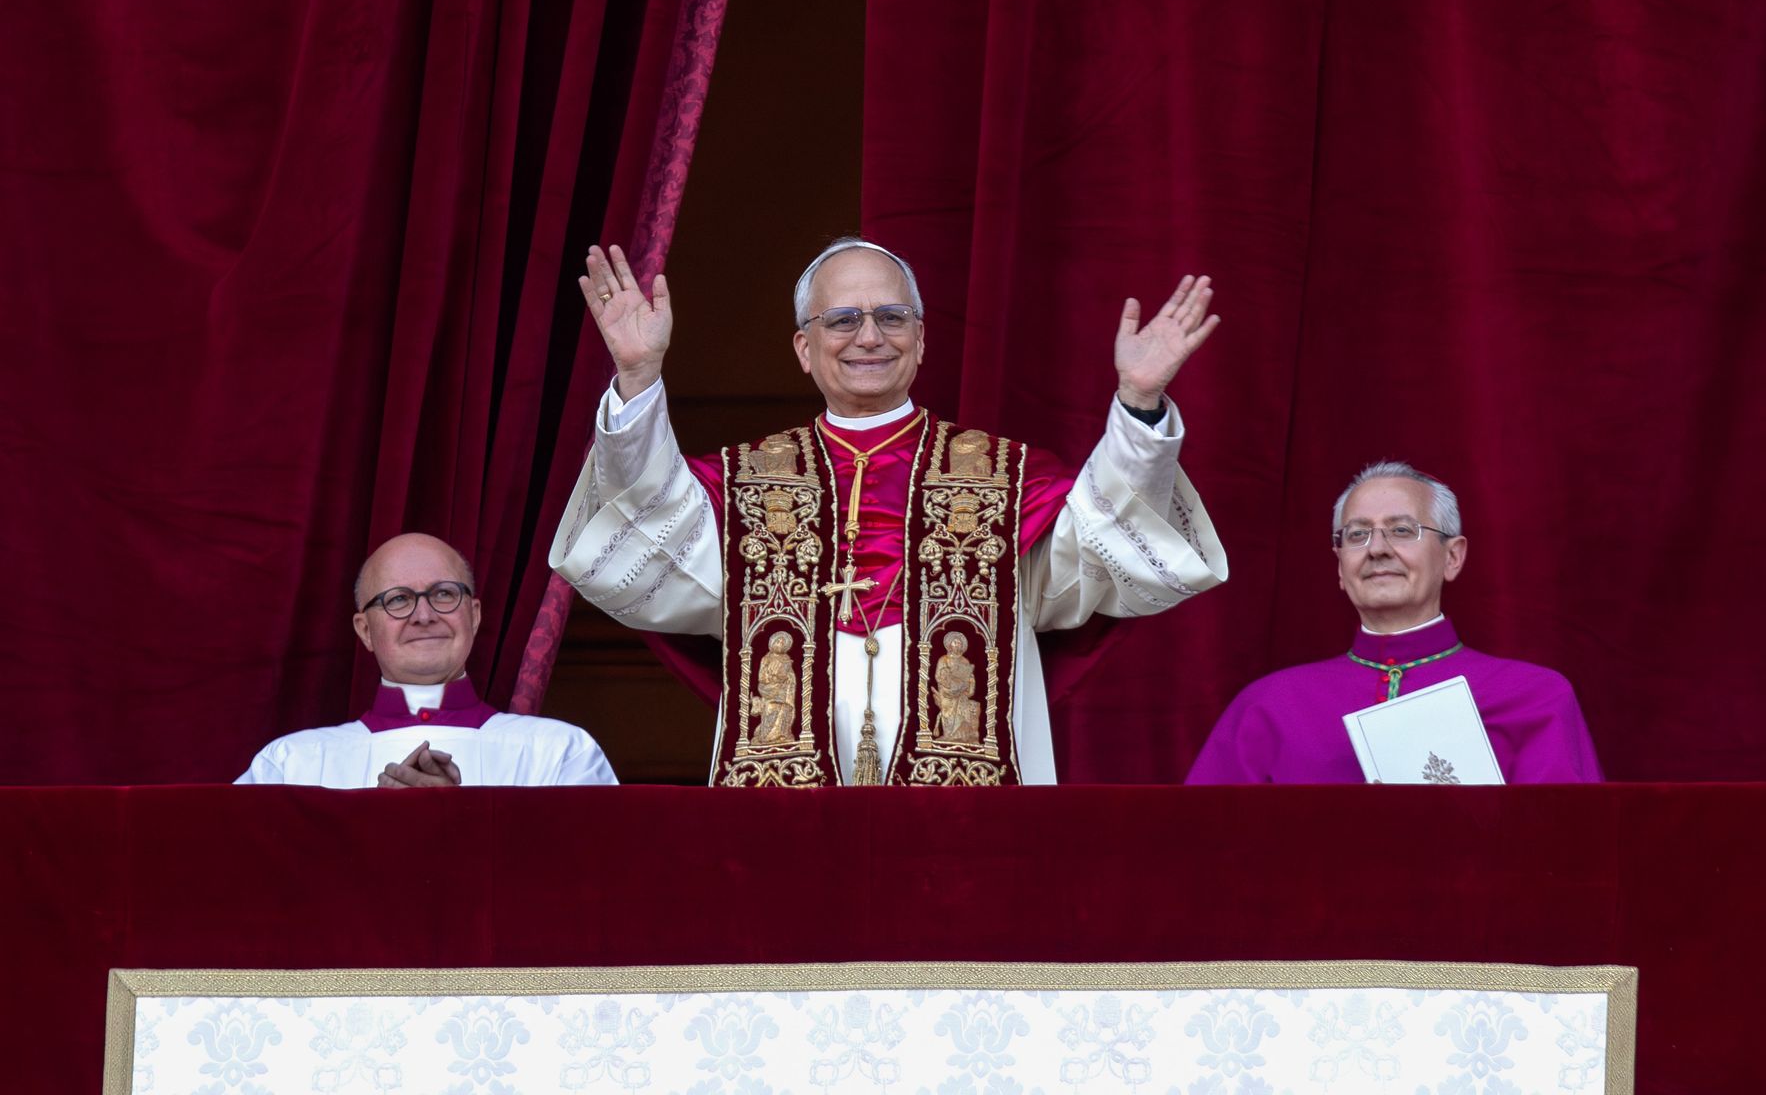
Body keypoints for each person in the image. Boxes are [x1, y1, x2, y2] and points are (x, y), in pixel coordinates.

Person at [550, 237, 1229, 786]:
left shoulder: (1004, 480)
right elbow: (647, 543)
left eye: (891, 316)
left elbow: (1102, 553)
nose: (868, 335)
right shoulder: (744, 485)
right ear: (804, 349)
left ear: (922, 339)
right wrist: (638, 380)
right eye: (842, 319)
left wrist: (1139, 404)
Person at [1186, 461, 1601, 784]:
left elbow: (1568, 855)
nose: (1377, 549)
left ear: (1452, 557)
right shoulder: (1269, 706)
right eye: (1356, 535)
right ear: (1340, 567)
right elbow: (1203, 849)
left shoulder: (1535, 698)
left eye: (1402, 530)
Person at [238, 533, 617, 787]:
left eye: (444, 594)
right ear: (365, 630)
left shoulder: (561, 754)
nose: (424, 615)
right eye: (398, 599)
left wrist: (462, 823)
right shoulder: (290, 766)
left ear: (474, 615)